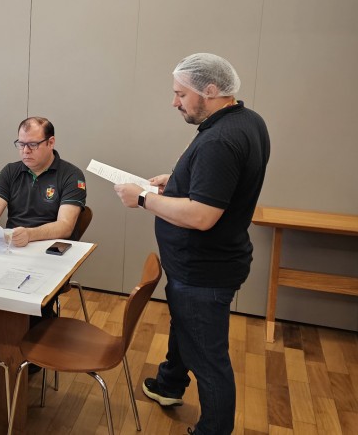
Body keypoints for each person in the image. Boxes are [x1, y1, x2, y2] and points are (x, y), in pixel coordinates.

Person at [114, 53, 270, 435]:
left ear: (211, 91)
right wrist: (180, 179)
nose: (175, 103)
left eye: (180, 94)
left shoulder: (220, 139)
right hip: (203, 263)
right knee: (185, 326)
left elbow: (202, 216)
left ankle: (213, 430)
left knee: (208, 357)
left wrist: (143, 198)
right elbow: (221, 182)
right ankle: (169, 384)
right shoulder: (247, 120)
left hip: (204, 270)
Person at [0, 116, 86, 246]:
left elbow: (65, 226)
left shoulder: (71, 175)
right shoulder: (10, 171)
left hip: (50, 247)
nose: (25, 151)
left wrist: (30, 234)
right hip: (14, 244)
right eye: (21, 144)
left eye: (33, 144)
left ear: (50, 143)